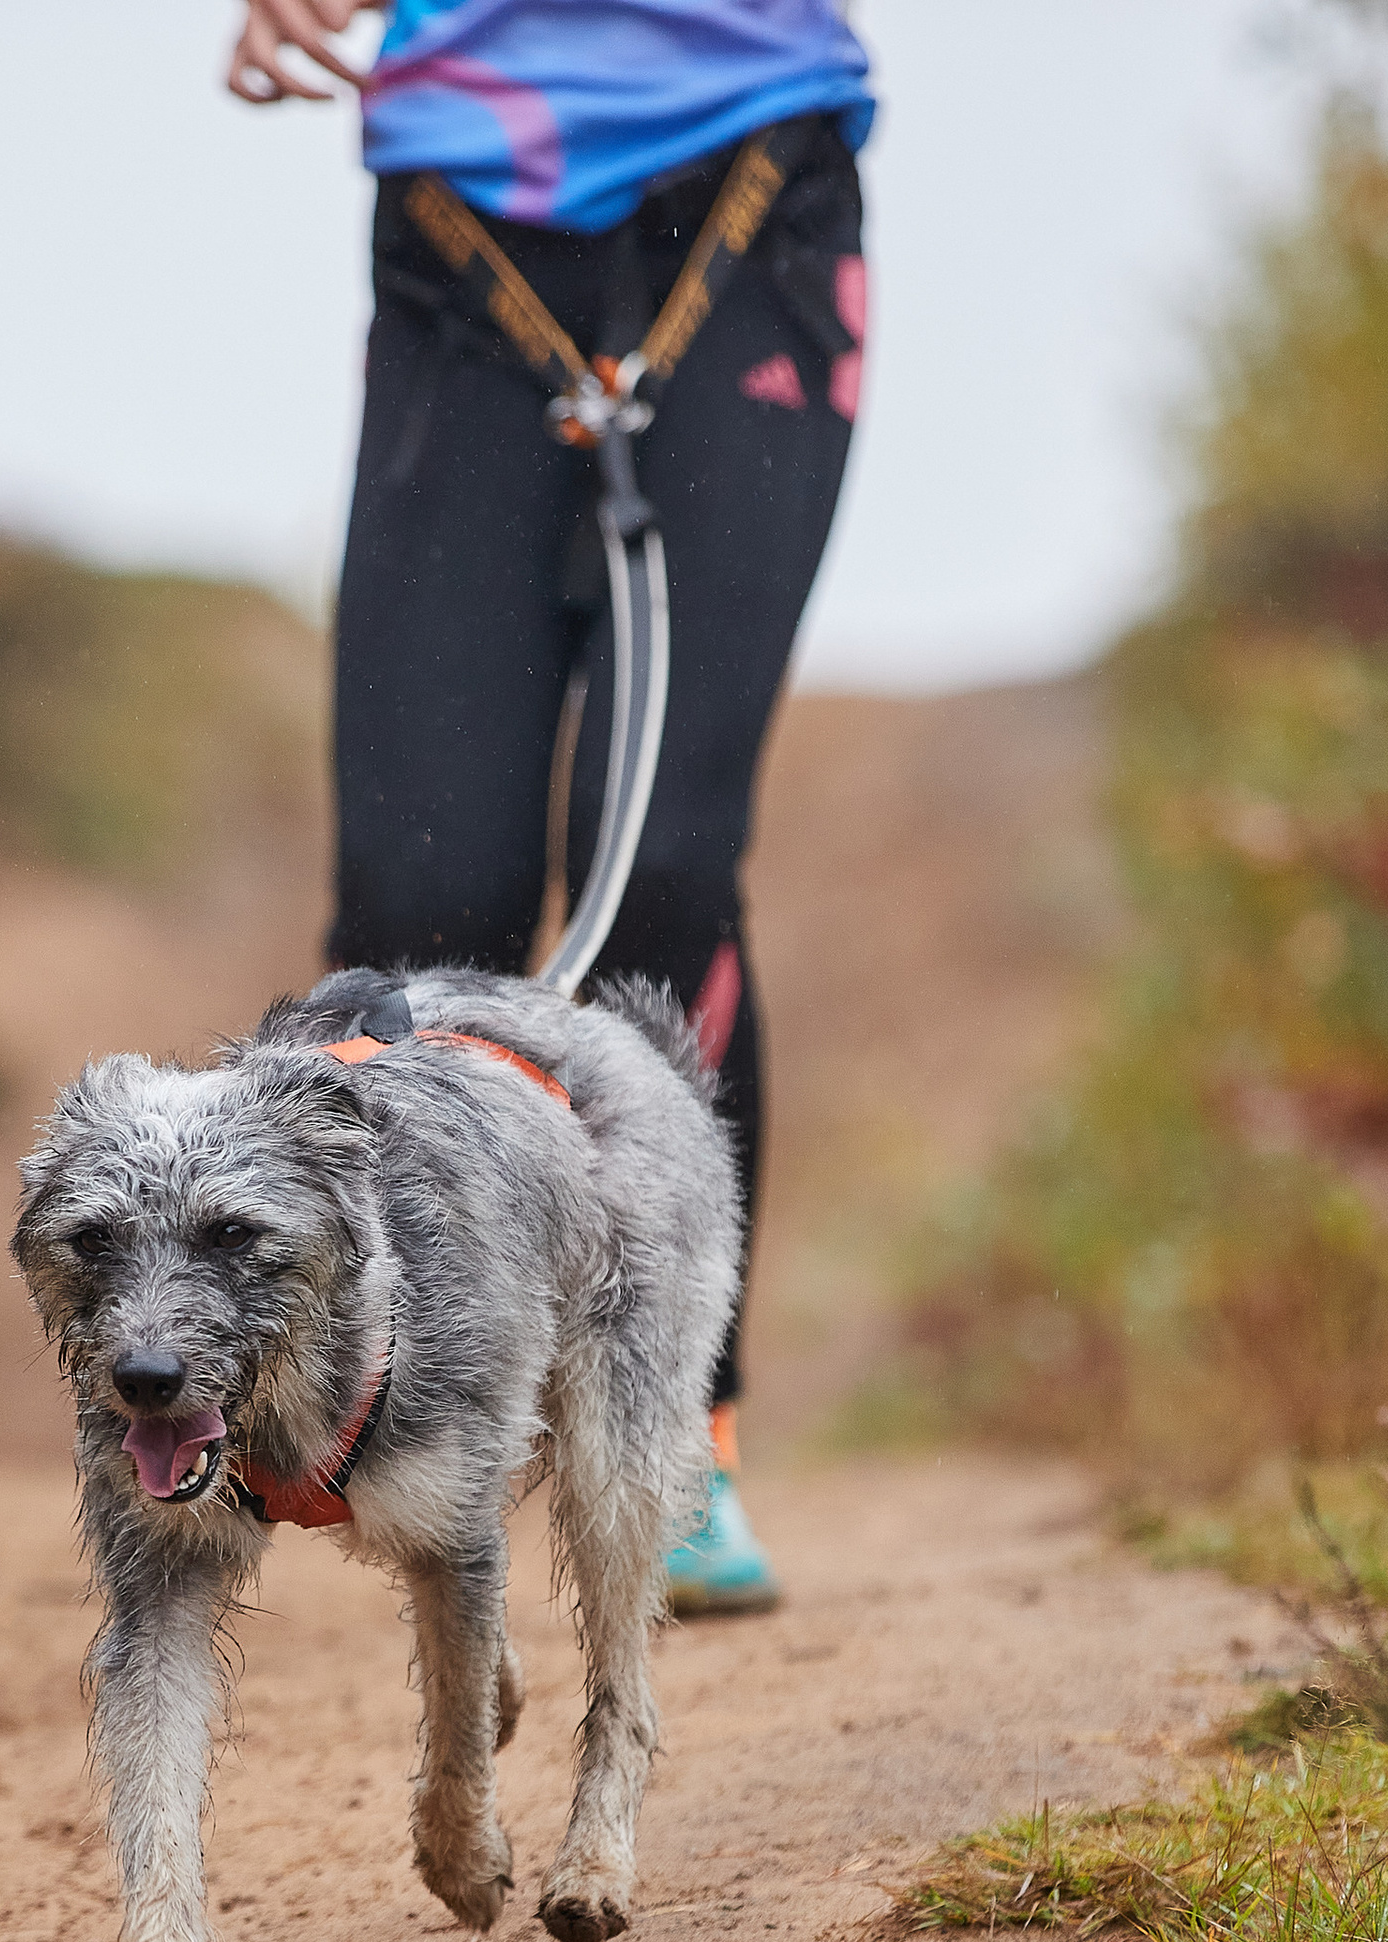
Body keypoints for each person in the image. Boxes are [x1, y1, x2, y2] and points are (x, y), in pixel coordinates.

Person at [229, 0, 873, 1613]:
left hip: (743, 199)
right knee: (415, 895)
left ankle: (675, 1441)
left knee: (656, 872)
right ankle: (373, 1382)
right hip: (462, 224)